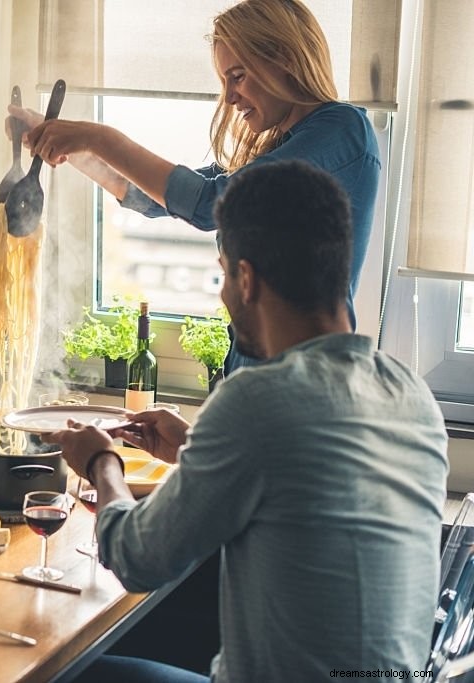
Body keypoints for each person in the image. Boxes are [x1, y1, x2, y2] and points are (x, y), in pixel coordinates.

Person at [45, 160, 448, 682]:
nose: (222, 294)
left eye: (222, 273)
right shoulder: (409, 392)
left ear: (246, 278)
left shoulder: (257, 399)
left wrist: (100, 460)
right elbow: (307, 482)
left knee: (62, 671)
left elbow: (135, 558)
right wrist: (195, 446)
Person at [16, 0, 380, 374]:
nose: (229, 97)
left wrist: (100, 137)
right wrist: (69, 144)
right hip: (253, 377)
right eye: (225, 81)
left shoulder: (342, 130)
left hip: (301, 381)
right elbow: (156, 199)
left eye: (237, 76)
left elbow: (209, 204)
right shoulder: (279, 150)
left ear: (284, 59)